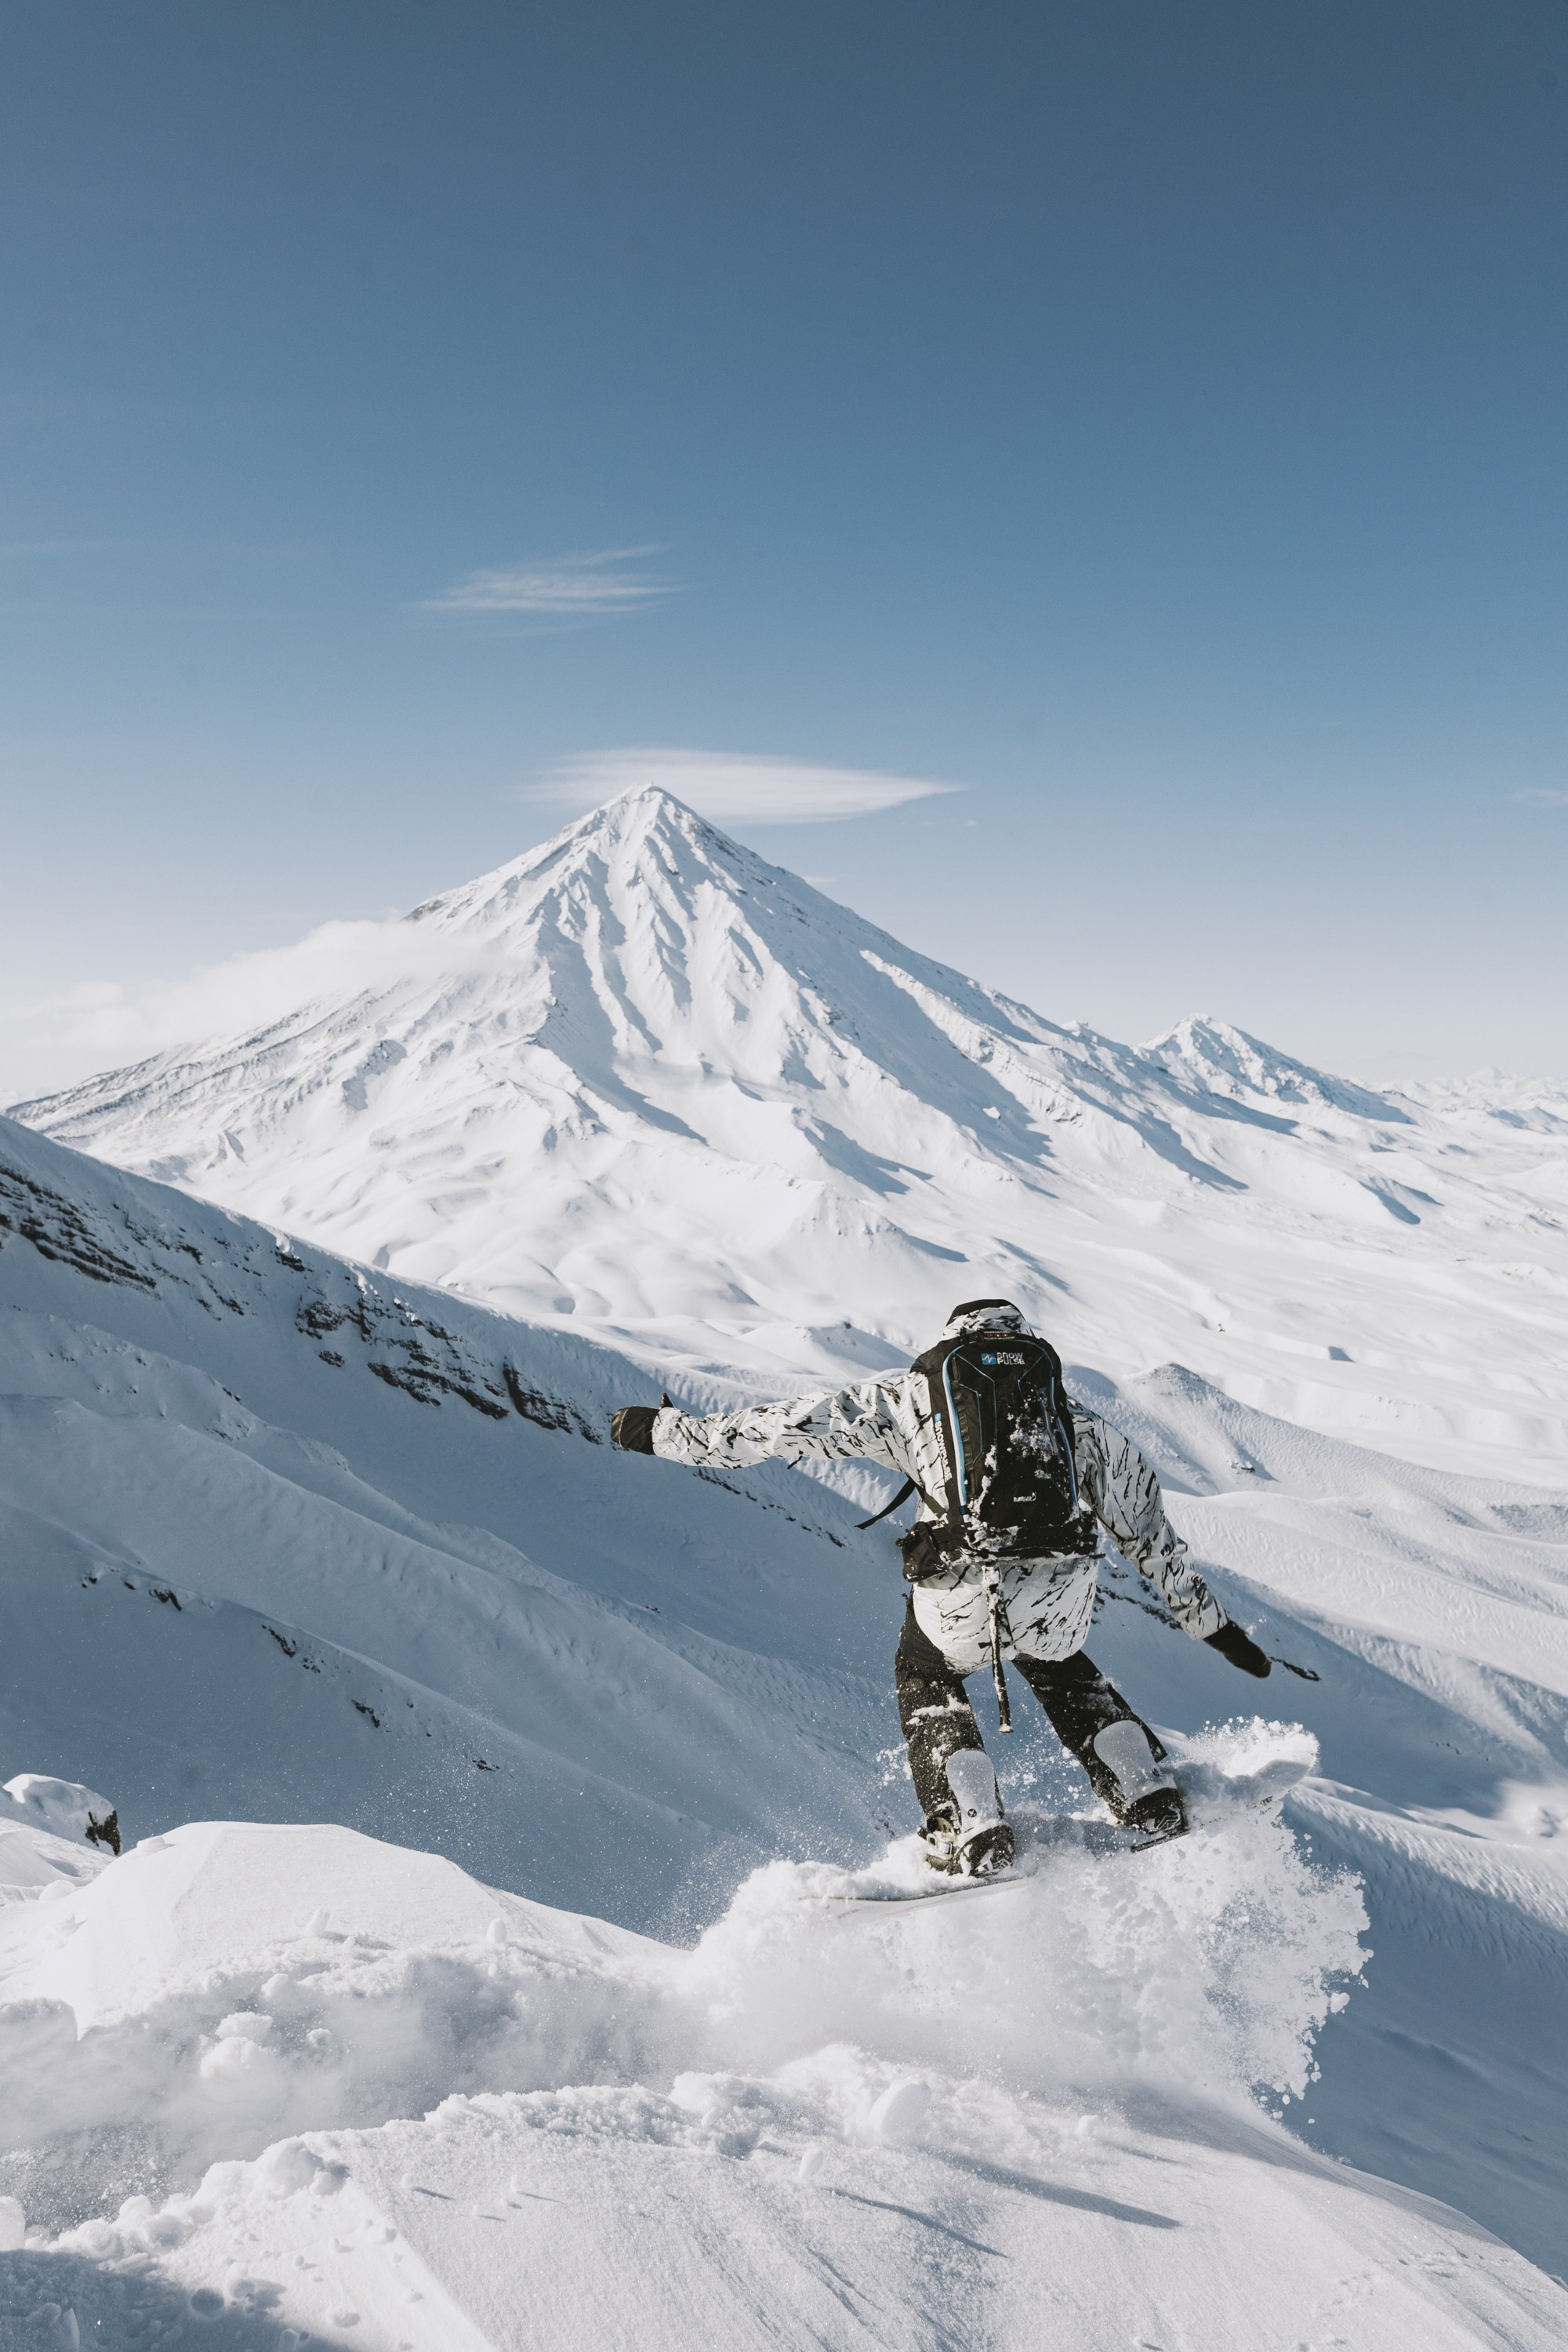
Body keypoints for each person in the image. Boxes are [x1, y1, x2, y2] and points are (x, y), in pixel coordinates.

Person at [612, 1298, 1271, 1878]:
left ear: (954, 1347)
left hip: (959, 1588)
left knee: (926, 1672)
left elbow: (779, 1428)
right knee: (1057, 1659)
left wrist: (665, 1433)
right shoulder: (1077, 1423)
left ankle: (970, 1818)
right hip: (1061, 1590)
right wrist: (1217, 1630)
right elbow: (1152, 1540)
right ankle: (1142, 1787)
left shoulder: (905, 1399)